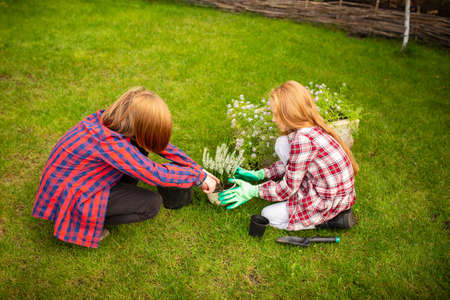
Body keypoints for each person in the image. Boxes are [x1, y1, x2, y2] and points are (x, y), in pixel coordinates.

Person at [32, 87, 218, 248]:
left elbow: (161, 146)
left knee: (140, 149)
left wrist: (197, 169)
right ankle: (85, 222)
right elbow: (156, 174)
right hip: (72, 195)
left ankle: (111, 198)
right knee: (151, 204)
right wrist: (197, 178)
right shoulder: (110, 143)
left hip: (77, 180)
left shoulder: (114, 120)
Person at [219, 80, 358, 230]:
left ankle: (333, 220)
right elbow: (295, 162)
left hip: (328, 201)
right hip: (336, 192)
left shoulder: (303, 140)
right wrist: (261, 174)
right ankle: (326, 213)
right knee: (282, 142)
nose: (273, 119)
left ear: (289, 114)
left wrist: (253, 191)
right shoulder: (309, 128)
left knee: (268, 214)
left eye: (275, 114)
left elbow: (286, 189)